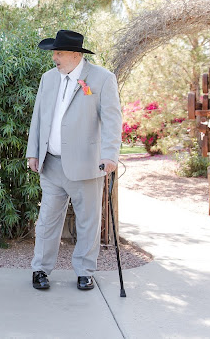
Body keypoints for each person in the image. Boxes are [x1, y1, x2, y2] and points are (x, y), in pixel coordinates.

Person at [26, 30, 122, 291]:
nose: (54, 58)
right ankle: (40, 269)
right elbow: (39, 117)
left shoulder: (102, 79)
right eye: (53, 53)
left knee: (88, 221)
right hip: (52, 164)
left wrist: (110, 155)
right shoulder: (48, 79)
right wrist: (33, 152)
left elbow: (113, 120)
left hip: (87, 164)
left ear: (76, 55)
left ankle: (84, 271)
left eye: (58, 53)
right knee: (46, 220)